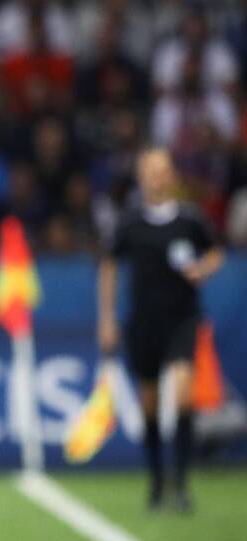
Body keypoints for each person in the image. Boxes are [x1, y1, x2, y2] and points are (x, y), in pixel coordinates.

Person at [98, 148, 224, 512]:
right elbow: (109, 265)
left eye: (162, 170)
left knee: (182, 395)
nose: (157, 177)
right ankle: (156, 482)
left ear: (172, 176)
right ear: (141, 177)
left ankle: (182, 485)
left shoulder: (189, 219)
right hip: (144, 322)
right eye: (150, 171)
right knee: (149, 403)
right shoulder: (130, 221)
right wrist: (106, 317)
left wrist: (203, 268)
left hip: (182, 319)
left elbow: (215, 252)